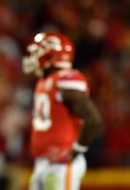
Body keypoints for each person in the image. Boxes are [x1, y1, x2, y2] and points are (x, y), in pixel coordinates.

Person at [22, 32, 102, 190]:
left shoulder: (66, 79)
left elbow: (93, 119)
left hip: (62, 163)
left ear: (51, 56)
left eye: (37, 52)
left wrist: (78, 149)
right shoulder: (45, 81)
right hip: (43, 161)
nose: (32, 58)